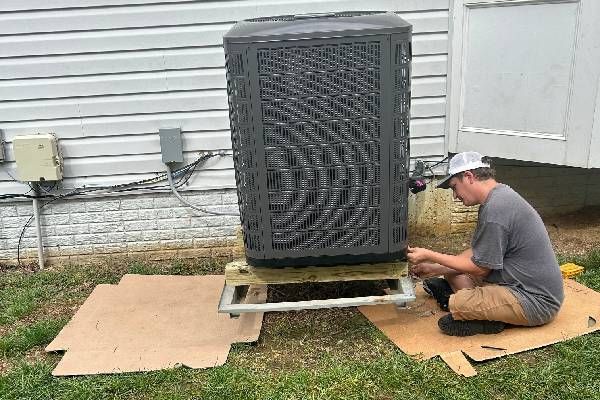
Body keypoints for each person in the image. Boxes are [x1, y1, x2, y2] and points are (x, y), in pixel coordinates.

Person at [407, 151, 564, 336]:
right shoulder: (497, 198)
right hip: (512, 282)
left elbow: (480, 269)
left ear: (469, 177)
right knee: (454, 274)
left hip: (535, 301)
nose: (455, 196)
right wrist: (436, 268)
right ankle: (485, 309)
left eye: (454, 187)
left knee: (457, 303)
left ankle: (488, 320)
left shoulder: (496, 208)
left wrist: (429, 255)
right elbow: (477, 253)